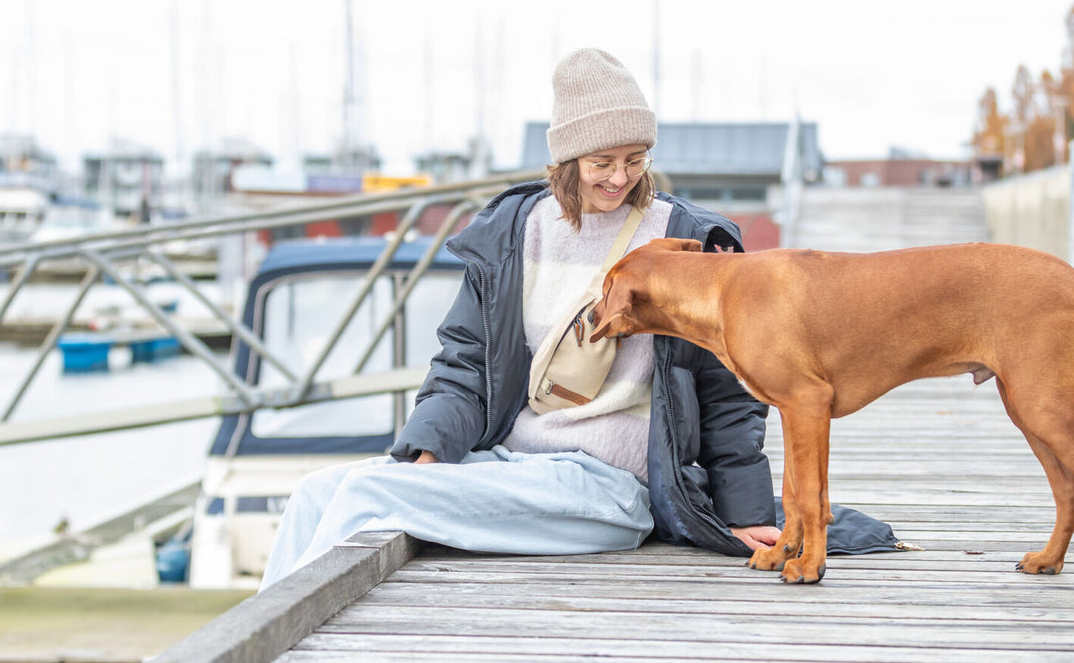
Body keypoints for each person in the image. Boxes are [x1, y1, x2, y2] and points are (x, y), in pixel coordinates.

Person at [261, 48, 894, 590]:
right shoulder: (514, 233)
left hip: (610, 488)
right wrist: (430, 449)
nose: (621, 177)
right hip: (513, 465)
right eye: (602, 162)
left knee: (367, 496)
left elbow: (727, 391)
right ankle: (256, 659)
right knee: (314, 494)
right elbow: (466, 363)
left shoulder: (687, 239)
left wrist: (745, 509)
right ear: (566, 160)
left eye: (636, 158)